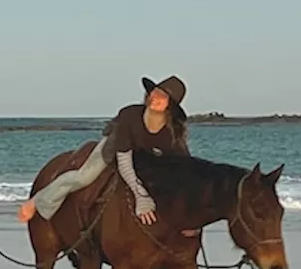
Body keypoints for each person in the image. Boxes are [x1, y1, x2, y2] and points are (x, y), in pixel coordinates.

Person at [18, 75, 198, 235]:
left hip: (146, 156)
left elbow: (186, 172)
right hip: (116, 147)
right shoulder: (130, 115)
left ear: (170, 106)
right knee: (83, 177)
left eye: (162, 97)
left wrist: (191, 215)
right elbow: (124, 162)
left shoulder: (172, 132)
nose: (155, 98)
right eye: (155, 92)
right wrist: (141, 197)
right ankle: (38, 201)